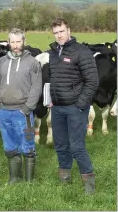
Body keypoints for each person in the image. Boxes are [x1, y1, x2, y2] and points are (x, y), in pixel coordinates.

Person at [48, 18, 98, 194]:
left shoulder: (82, 51)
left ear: (69, 30)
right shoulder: (53, 52)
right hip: (57, 108)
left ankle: (89, 185)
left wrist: (80, 104)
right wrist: (51, 99)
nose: (59, 35)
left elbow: (92, 81)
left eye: (61, 31)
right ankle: (65, 179)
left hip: (75, 108)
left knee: (77, 146)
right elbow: (53, 79)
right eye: (56, 33)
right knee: (61, 145)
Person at [0, 28, 42, 184]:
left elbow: (36, 87)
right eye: (12, 41)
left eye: (18, 41)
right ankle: (14, 178)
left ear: (24, 42)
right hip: (4, 111)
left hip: (23, 113)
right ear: (8, 43)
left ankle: (29, 181)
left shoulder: (33, 63)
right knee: (9, 146)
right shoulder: (1, 62)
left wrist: (27, 108)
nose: (15, 45)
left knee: (27, 146)